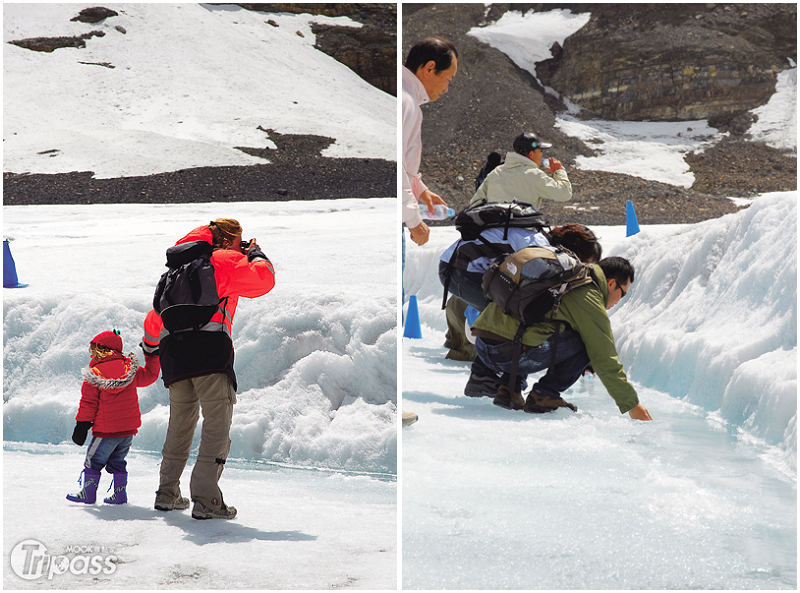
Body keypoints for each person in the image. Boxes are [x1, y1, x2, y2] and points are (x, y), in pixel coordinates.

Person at [143, 218, 275, 519]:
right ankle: (206, 500)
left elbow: (154, 320)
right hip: (210, 353)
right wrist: (255, 253)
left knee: (179, 426)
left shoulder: (174, 271)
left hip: (174, 358)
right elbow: (263, 281)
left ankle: (167, 493)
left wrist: (150, 351)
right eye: (239, 241)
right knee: (216, 427)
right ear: (228, 240)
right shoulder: (222, 259)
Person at [470, 256, 653, 421]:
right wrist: (631, 405)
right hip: (508, 354)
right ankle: (545, 396)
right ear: (612, 283)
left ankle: (509, 389)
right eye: (623, 293)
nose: (620, 300)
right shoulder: (587, 293)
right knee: (588, 341)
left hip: (483, 347)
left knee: (539, 323)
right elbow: (604, 356)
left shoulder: (566, 275)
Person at [440, 224, 603, 398]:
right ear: (573, 250)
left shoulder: (544, 244)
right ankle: (491, 379)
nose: (582, 268)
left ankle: (494, 379)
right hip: (463, 269)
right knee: (520, 313)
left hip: (458, 265)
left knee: (519, 313)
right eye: (585, 262)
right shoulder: (542, 248)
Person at [401, 37, 458, 426]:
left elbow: (405, 167)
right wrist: (414, 219)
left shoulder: (406, 98)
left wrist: (421, 190)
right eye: (447, 78)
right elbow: (394, 166)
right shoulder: (405, 102)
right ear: (428, 69)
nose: (447, 87)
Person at [66, 330, 161, 505]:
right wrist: (153, 356)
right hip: (127, 431)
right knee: (118, 461)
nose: (92, 353)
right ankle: (119, 495)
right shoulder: (130, 369)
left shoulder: (94, 373)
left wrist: (81, 426)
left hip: (106, 431)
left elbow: (88, 403)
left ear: (102, 351)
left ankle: (88, 493)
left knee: (93, 461)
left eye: (94, 350)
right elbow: (150, 376)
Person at [470, 132, 572, 209]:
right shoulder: (534, 175)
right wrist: (559, 171)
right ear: (531, 154)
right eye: (540, 151)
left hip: (494, 233)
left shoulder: (496, 173)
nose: (541, 155)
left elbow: (475, 204)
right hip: (523, 232)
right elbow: (564, 193)